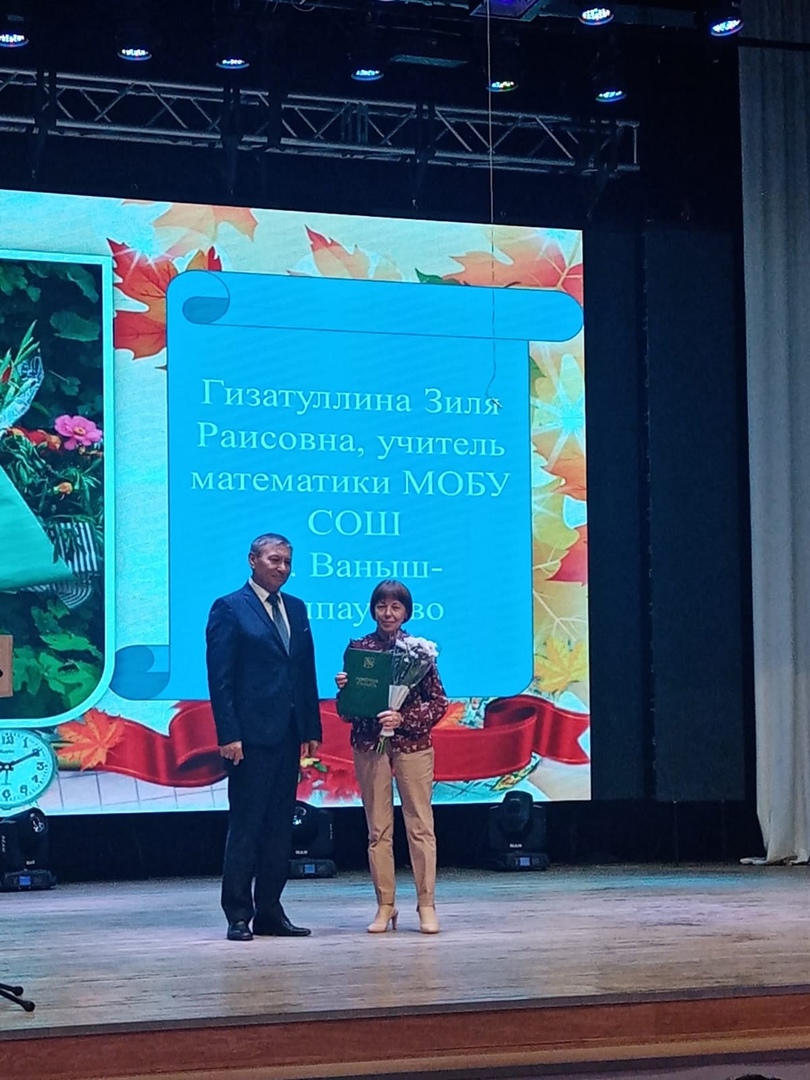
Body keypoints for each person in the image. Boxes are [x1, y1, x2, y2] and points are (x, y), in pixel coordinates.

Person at [206, 532, 321, 942]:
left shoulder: (297, 607)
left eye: (287, 561)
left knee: (279, 829)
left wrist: (311, 728)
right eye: (274, 559)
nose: (282, 568)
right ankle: (238, 914)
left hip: (288, 734)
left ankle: (270, 911)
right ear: (252, 560)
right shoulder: (229, 608)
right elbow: (220, 678)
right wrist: (229, 734)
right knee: (247, 826)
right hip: (248, 739)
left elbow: (304, 672)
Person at [336, 580, 448, 935]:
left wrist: (403, 719)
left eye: (395, 607)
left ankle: (426, 904)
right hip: (370, 745)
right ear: (373, 610)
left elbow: (439, 703)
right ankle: (385, 904)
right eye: (381, 606)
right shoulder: (360, 649)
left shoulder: (418, 653)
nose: (388, 613)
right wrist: (346, 691)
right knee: (378, 830)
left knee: (420, 826)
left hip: (413, 746)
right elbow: (345, 712)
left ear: (406, 612)